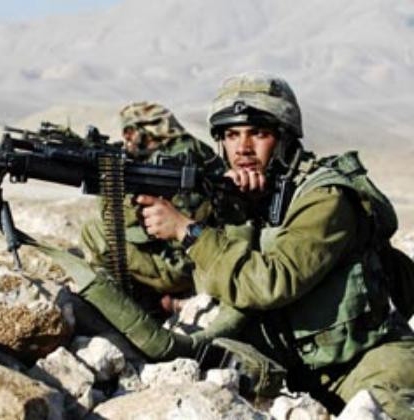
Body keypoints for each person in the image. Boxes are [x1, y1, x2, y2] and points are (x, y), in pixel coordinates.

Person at [130, 71, 414, 418]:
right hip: (294, 369)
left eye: (258, 134)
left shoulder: (326, 198)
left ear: (284, 139)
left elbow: (272, 282)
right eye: (231, 135)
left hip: (364, 362)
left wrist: (188, 233)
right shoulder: (246, 194)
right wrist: (233, 215)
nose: (243, 148)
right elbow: (214, 285)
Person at [80, 101, 224, 316]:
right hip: (202, 257)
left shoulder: (177, 157)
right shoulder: (189, 148)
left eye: (130, 132)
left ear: (146, 130)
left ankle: (127, 309)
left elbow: (183, 221)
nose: (126, 139)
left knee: (95, 232)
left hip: (185, 266)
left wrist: (128, 203)